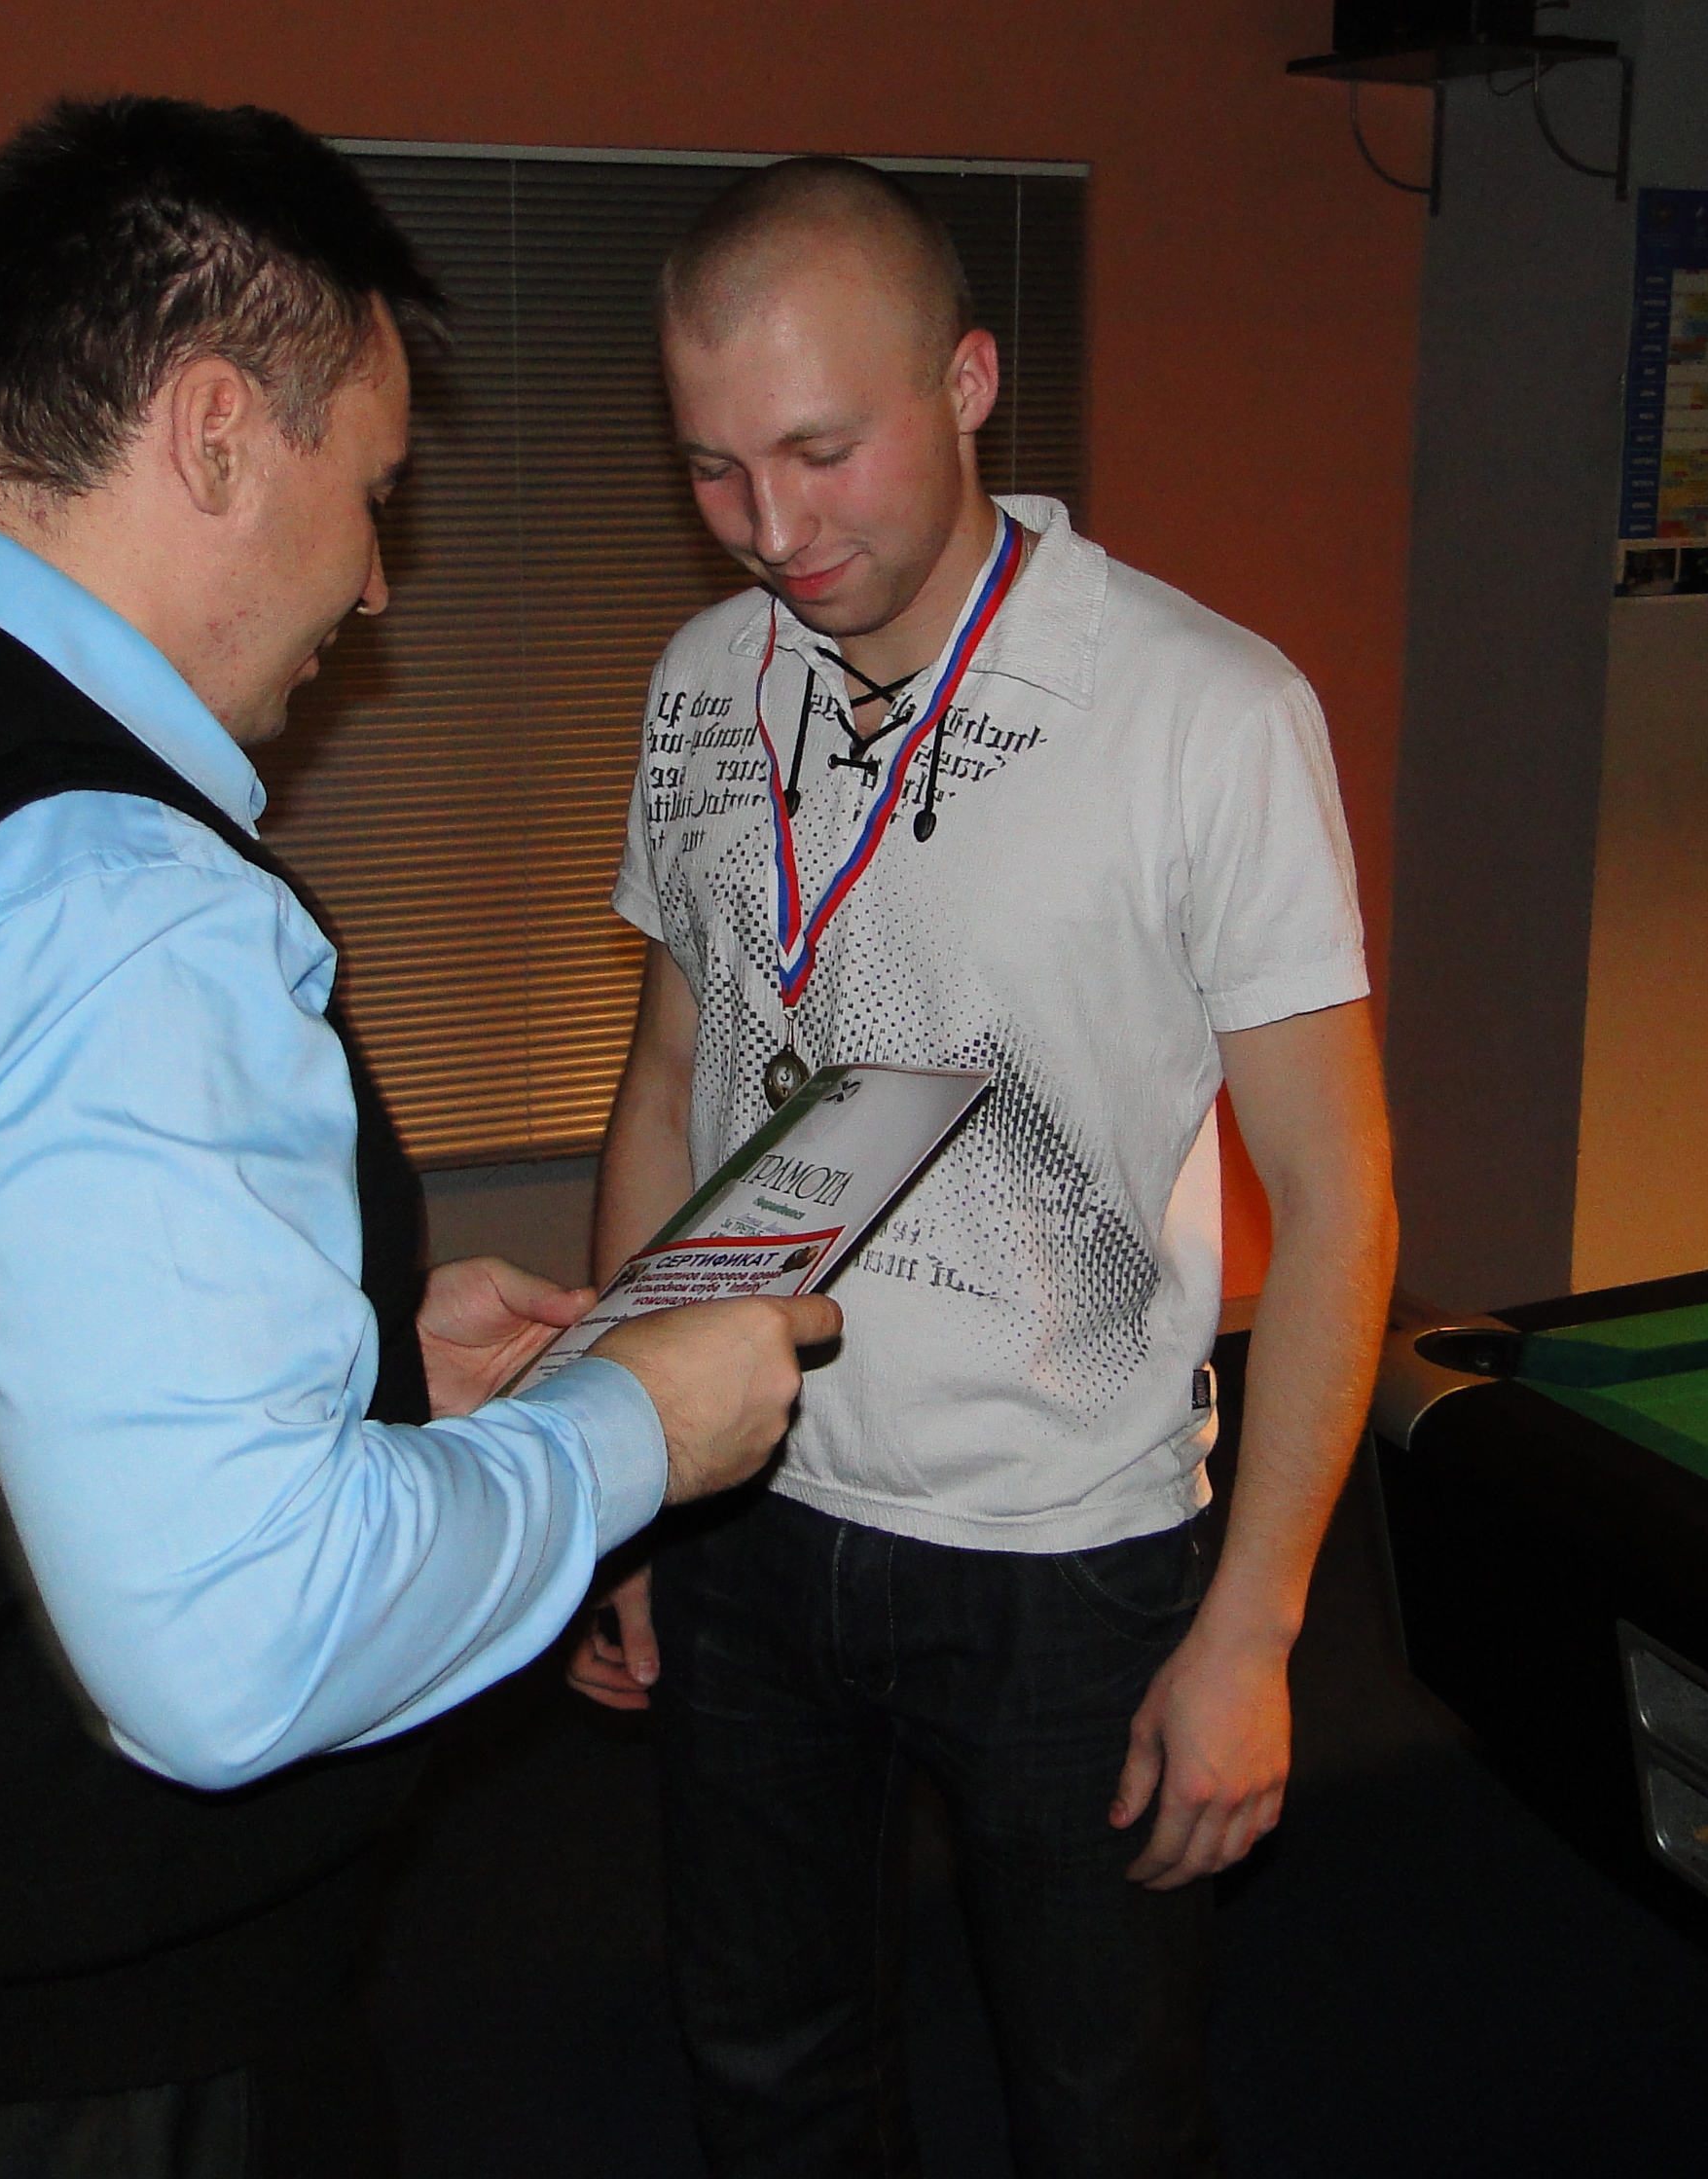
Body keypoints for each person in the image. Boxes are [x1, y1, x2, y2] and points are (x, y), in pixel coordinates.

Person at [0, 96, 822, 2177]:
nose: (374, 582)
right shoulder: (100, 890)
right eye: (371, 492)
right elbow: (237, 1649)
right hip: (54, 2035)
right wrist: (642, 1429)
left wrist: (352, 1358)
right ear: (209, 434)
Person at [568, 159, 1399, 2177]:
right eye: (713, 469)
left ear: (967, 382)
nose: (773, 530)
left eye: (820, 453)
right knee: (770, 2075)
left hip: (1064, 1554)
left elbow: (1340, 1199)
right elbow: (670, 1084)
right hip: (745, 1504)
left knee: (1104, 2114)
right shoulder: (705, 682)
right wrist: (623, 1463)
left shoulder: (1206, 711)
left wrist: (1254, 1629)